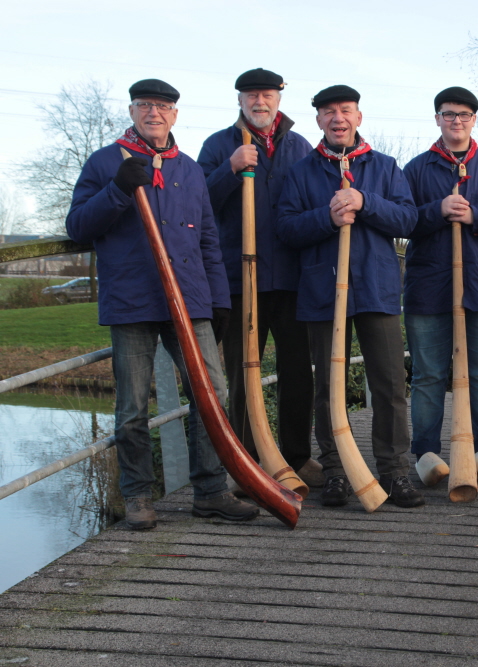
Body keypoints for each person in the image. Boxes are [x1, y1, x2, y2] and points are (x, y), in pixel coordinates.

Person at [66, 79, 259, 529]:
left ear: (175, 114)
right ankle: (137, 496)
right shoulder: (106, 161)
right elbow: (77, 226)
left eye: (164, 106)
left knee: (211, 394)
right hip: (133, 300)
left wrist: (216, 298)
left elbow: (208, 237)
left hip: (190, 301)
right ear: (132, 111)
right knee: (133, 406)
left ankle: (210, 491)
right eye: (145, 105)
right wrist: (116, 190)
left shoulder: (189, 169)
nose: (155, 112)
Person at [276, 85, 424, 508]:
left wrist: (365, 201)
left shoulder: (384, 166)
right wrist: (327, 216)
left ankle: (394, 470)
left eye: (345, 111)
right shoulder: (302, 172)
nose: (337, 118)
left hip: (376, 289)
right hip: (323, 292)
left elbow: (409, 218)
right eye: (328, 112)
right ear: (319, 121)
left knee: (391, 384)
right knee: (328, 385)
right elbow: (286, 229)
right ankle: (337, 471)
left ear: (359, 117)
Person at [196, 68, 320, 490]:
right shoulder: (218, 145)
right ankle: (247, 463)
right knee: (242, 372)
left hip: (290, 278)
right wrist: (228, 170)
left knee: (297, 372)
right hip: (237, 279)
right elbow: (196, 206)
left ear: (279, 100)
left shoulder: (300, 147)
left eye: (267, 95)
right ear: (239, 101)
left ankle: (296, 458)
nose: (259, 102)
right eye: (251, 95)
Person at [402, 87, 478, 488]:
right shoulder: (417, 169)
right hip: (428, 288)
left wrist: (476, 214)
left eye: (464, 115)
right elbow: (400, 220)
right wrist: (436, 212)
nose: (456, 121)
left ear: (474, 120)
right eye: (448, 114)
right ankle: (426, 453)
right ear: (437, 119)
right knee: (428, 375)